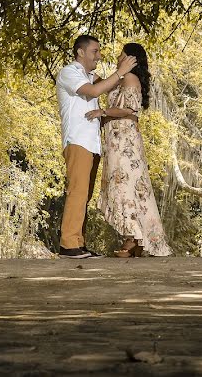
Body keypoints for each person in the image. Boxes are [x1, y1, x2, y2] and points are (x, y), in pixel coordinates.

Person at [55, 35, 137, 259]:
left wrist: (125, 73)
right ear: (80, 52)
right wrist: (120, 72)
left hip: (92, 143)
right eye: (95, 51)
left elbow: (113, 86)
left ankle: (78, 243)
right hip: (77, 141)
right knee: (77, 193)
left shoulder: (91, 76)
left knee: (85, 196)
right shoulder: (69, 72)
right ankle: (68, 245)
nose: (99, 56)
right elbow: (92, 92)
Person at [89, 43, 172, 257]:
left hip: (125, 141)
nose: (118, 56)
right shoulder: (122, 78)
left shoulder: (131, 79)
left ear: (131, 59)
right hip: (116, 140)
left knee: (126, 184)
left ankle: (132, 238)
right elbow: (102, 85)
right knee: (123, 184)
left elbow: (129, 108)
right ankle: (135, 238)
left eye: (122, 54)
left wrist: (103, 111)